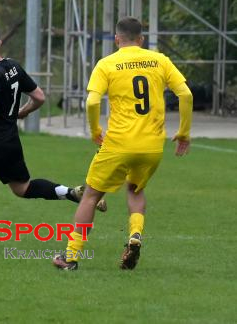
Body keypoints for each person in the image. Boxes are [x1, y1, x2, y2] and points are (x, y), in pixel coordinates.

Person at [0, 23, 106, 250]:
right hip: (11, 143)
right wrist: (21, 112)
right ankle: (71, 193)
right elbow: (39, 97)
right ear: (0, 42)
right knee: (22, 189)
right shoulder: (12, 67)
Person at [53, 17, 193, 271]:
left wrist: (95, 129)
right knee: (135, 190)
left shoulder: (107, 64)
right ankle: (135, 235)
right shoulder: (160, 60)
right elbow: (186, 94)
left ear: (117, 39)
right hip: (151, 146)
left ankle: (70, 257)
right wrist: (183, 132)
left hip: (118, 143)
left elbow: (92, 102)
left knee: (91, 195)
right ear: (141, 39)